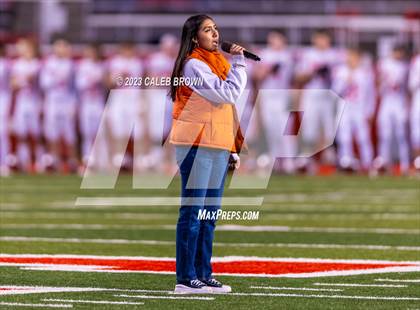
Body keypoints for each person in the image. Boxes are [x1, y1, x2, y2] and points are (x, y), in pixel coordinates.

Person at [168, 14, 247, 294]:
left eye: (215, 29)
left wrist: (232, 147)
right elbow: (226, 95)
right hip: (195, 145)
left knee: (208, 215)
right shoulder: (193, 65)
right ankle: (185, 278)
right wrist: (240, 64)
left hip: (215, 144)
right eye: (207, 30)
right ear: (194, 38)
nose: (215, 34)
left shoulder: (218, 63)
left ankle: (202, 273)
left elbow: (226, 111)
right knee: (192, 213)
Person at [333, 48, 374, 172]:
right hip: (344, 107)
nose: (352, 61)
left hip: (359, 108)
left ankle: (368, 162)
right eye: (350, 57)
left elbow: (370, 93)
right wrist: (345, 81)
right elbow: (335, 91)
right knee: (344, 136)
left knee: (363, 136)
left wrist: (370, 110)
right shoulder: (340, 72)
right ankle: (346, 162)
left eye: (355, 58)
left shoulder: (365, 73)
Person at [40, 37, 78, 172]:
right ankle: (54, 160)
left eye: (63, 46)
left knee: (69, 133)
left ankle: (73, 161)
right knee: (52, 132)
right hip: (52, 102)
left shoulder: (71, 64)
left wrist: (74, 104)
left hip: (66, 102)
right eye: (59, 46)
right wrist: (55, 78)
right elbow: (44, 83)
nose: (61, 49)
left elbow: (74, 87)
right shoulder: (49, 63)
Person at [375, 45, 410, 175]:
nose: (398, 55)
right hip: (386, 102)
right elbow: (378, 83)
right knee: (385, 135)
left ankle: (405, 165)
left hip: (399, 102)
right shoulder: (383, 64)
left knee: (401, 135)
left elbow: (406, 87)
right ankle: (384, 164)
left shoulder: (405, 67)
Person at [10, 38, 42, 172]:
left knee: (36, 133)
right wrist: (20, 81)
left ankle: (40, 160)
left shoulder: (37, 63)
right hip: (22, 102)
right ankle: (24, 160)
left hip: (34, 101)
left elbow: (32, 78)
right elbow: (13, 84)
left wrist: (20, 81)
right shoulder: (17, 64)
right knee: (22, 133)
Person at [75, 43, 106, 168]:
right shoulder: (82, 66)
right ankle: (87, 159)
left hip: (98, 102)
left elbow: (107, 83)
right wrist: (91, 80)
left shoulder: (103, 66)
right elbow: (79, 84)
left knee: (100, 133)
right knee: (87, 133)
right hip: (86, 103)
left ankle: (102, 161)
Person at [409, 51, 420, 171]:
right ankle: (417, 162)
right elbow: (411, 84)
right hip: (418, 99)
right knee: (416, 132)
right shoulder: (416, 61)